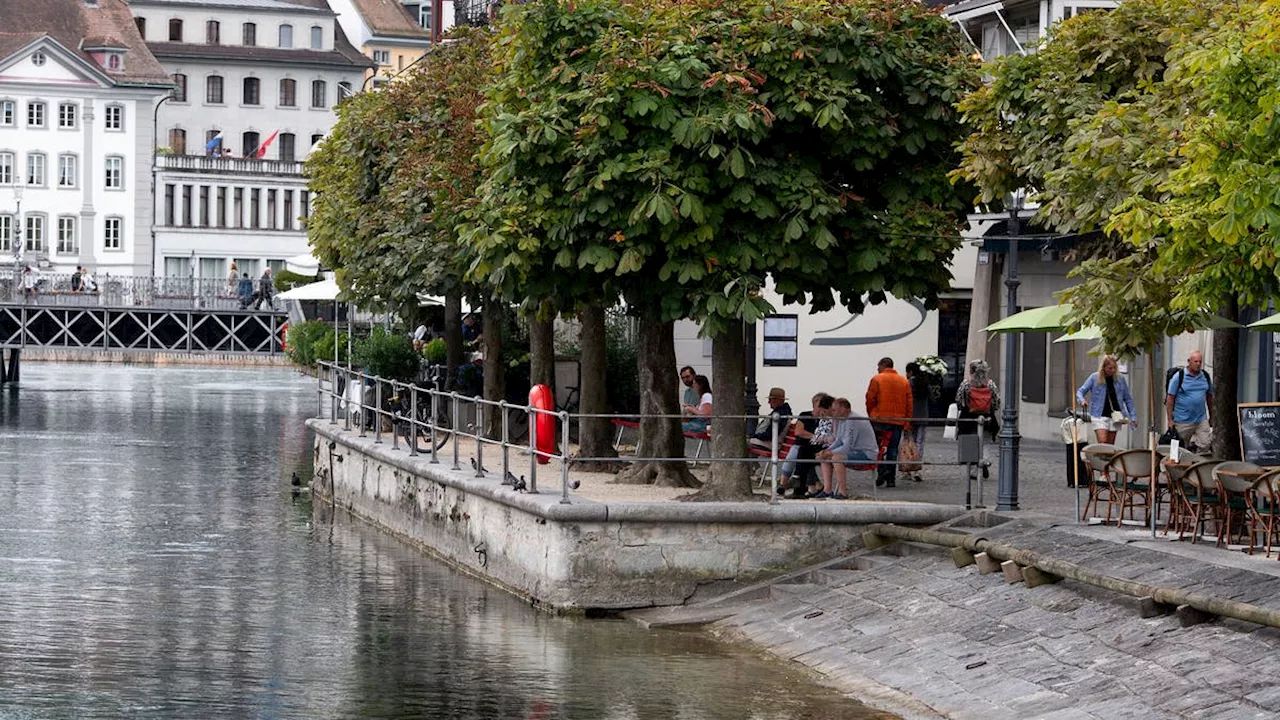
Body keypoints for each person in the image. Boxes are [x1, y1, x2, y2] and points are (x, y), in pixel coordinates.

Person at [815, 398, 878, 499]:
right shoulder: (842, 419)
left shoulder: (853, 420)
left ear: (844, 409)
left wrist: (830, 453)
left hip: (866, 453)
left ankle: (842, 492)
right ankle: (827, 490)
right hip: (855, 451)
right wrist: (826, 451)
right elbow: (839, 440)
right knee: (825, 457)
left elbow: (847, 446)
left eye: (835, 410)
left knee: (836, 458)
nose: (833, 412)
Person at [866, 357, 912, 488]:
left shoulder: (877, 379)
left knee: (879, 448)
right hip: (898, 421)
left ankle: (881, 473)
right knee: (892, 449)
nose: (877, 369)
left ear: (882, 366)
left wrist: (871, 414)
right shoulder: (904, 381)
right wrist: (907, 421)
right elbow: (909, 403)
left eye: (878, 366)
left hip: (879, 420)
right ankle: (891, 478)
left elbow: (870, 399)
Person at [780, 393, 833, 498]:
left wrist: (815, 438)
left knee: (803, 454)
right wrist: (816, 437)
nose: (822, 410)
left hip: (817, 446)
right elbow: (799, 432)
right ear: (814, 405)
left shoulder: (826, 419)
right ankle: (792, 485)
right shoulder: (805, 415)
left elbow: (827, 436)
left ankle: (793, 484)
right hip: (802, 444)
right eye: (820, 406)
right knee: (799, 453)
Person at [1077, 354, 1137, 444]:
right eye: (1110, 368)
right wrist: (1082, 401)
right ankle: (1099, 455)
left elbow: (1128, 398)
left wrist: (1133, 416)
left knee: (1110, 445)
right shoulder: (1094, 377)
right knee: (1103, 442)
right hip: (1099, 415)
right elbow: (1080, 391)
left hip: (1115, 416)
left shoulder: (1120, 379)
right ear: (1104, 367)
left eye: (1114, 368)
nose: (1112, 370)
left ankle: (1104, 457)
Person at [1166, 350, 1213, 451]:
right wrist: (1170, 420)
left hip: (1201, 419)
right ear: (1189, 361)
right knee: (1178, 448)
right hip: (1183, 420)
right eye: (1195, 361)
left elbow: (1209, 397)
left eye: (1200, 362)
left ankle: (1195, 460)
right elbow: (1170, 399)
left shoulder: (1205, 376)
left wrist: (1212, 416)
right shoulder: (1179, 377)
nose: (1198, 364)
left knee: (1206, 443)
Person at [956, 359, 1001, 440]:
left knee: (966, 440)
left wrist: (962, 408)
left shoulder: (966, 383)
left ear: (971, 371)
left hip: (968, 417)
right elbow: (997, 399)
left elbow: (959, 399)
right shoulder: (990, 384)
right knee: (987, 443)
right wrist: (992, 409)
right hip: (987, 417)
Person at [904, 362, 932, 482]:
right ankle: (917, 469)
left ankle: (908, 470)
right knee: (920, 443)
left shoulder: (909, 383)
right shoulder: (925, 383)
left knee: (909, 443)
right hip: (923, 416)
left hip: (910, 416)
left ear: (910, 372)